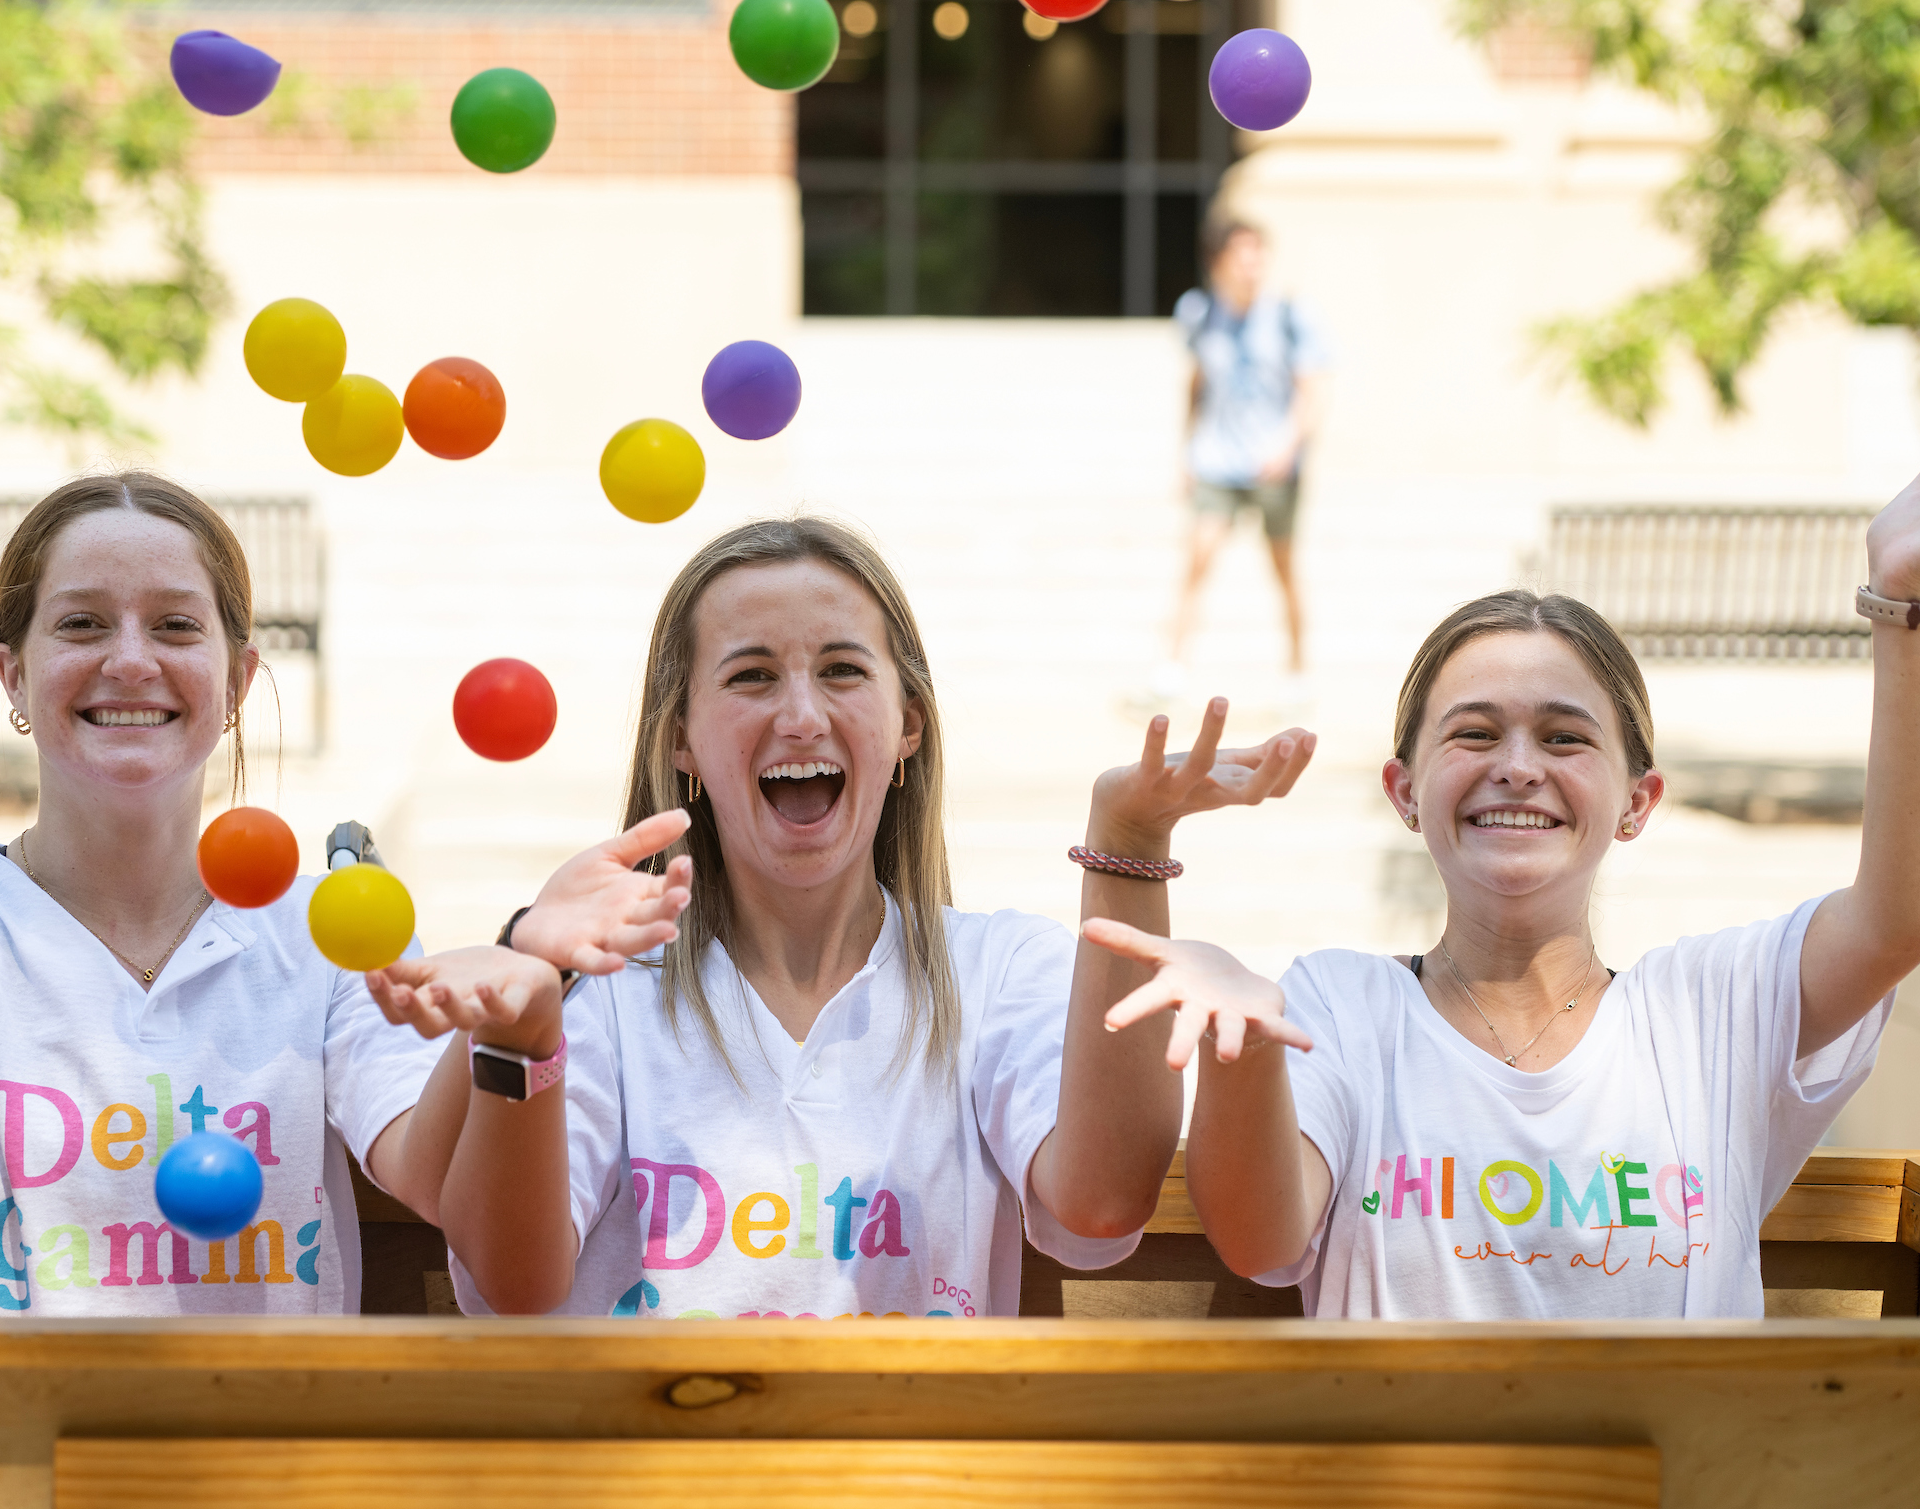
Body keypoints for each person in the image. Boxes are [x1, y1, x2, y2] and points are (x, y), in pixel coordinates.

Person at [1084, 440, 1920, 1318]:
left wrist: (1904, 611)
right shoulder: (1340, 1006)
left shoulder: (1712, 1011)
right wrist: (1242, 1046)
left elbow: (1905, 918)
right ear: (1404, 791)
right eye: (1473, 731)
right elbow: (1264, 1243)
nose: (1517, 765)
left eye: (1564, 736)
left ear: (1638, 800)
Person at [371, 516, 1315, 1317]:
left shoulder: (996, 971)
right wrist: (524, 1029)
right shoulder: (599, 975)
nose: (801, 715)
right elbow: (511, 1282)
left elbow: (1104, 1201)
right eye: (749, 677)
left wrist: (1132, 839)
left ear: (909, 727)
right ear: (681, 742)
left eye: (842, 671)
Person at [0, 470, 672, 1314]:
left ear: (238, 681)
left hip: (266, 1463)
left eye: (174, 626)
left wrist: (525, 978)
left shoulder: (328, 925)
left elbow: (431, 1174)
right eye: (83, 624)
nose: (130, 661)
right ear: (13, 675)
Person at [1157, 214, 1331, 701]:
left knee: (1283, 568)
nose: (1253, 265)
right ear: (1218, 262)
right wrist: (1186, 451)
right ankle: (1171, 669)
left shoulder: (1290, 315)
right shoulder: (1197, 313)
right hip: (1217, 461)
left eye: (1259, 253)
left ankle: (1297, 672)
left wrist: (1288, 445)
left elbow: (1313, 390)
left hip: (1274, 465)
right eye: (1242, 254)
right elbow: (1196, 384)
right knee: (1197, 560)